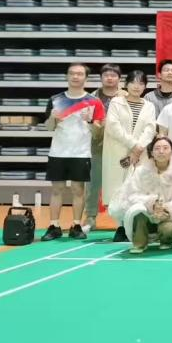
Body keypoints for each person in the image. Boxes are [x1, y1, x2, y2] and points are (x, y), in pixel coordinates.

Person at [41, 63, 107, 241]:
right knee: (57, 189)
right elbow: (49, 127)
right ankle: (54, 226)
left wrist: (90, 121)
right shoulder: (55, 100)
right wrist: (53, 118)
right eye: (72, 73)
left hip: (81, 152)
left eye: (79, 74)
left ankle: (76, 225)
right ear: (67, 76)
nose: (75, 77)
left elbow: (98, 133)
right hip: (58, 152)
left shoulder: (94, 102)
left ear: (86, 78)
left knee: (78, 190)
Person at [108, 136, 172, 254]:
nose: (161, 151)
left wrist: (167, 209)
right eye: (157, 148)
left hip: (168, 217)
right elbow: (132, 195)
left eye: (165, 148)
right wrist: (152, 204)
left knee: (168, 229)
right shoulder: (140, 171)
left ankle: (166, 240)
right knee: (138, 212)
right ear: (151, 152)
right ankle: (140, 243)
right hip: (146, 215)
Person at [103, 70, 157, 241]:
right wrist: (134, 145)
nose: (136, 86)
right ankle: (121, 226)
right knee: (118, 189)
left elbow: (150, 128)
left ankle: (136, 226)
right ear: (126, 84)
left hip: (141, 154)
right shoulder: (116, 102)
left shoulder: (149, 106)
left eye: (141, 83)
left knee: (137, 188)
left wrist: (139, 148)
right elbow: (113, 126)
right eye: (133, 82)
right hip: (118, 152)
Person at [84, 63, 123, 232]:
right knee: (93, 184)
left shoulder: (126, 97)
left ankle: (121, 218)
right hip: (96, 146)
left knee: (120, 185)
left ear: (119, 79)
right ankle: (90, 217)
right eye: (106, 75)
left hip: (120, 147)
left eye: (113, 75)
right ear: (101, 78)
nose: (110, 78)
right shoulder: (91, 98)